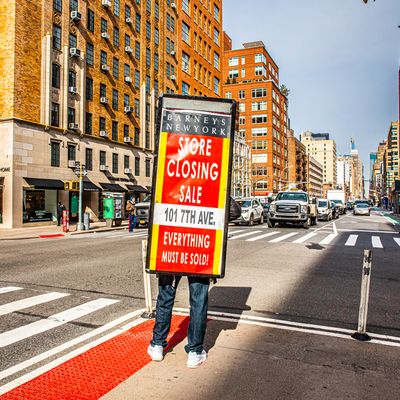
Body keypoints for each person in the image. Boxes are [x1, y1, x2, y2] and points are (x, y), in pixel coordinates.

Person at [148, 275, 209, 368]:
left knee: (165, 295)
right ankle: (195, 352)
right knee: (198, 300)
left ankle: (157, 344)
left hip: (171, 262)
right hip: (197, 262)